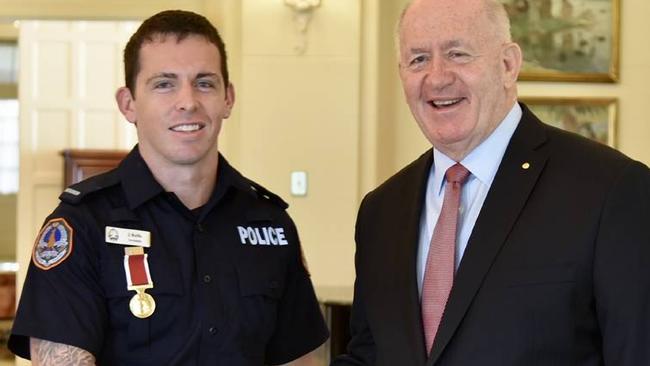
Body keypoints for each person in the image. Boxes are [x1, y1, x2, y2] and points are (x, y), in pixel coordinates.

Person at [332, 0, 650, 365]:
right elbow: (370, 355)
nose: (437, 77)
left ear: (508, 65)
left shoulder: (610, 190)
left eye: (458, 54)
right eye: (418, 59)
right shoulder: (381, 211)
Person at [9, 10, 328, 365]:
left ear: (228, 99)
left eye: (204, 83)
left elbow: (299, 359)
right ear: (128, 104)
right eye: (164, 84)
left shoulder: (271, 225)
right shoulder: (82, 225)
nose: (188, 101)